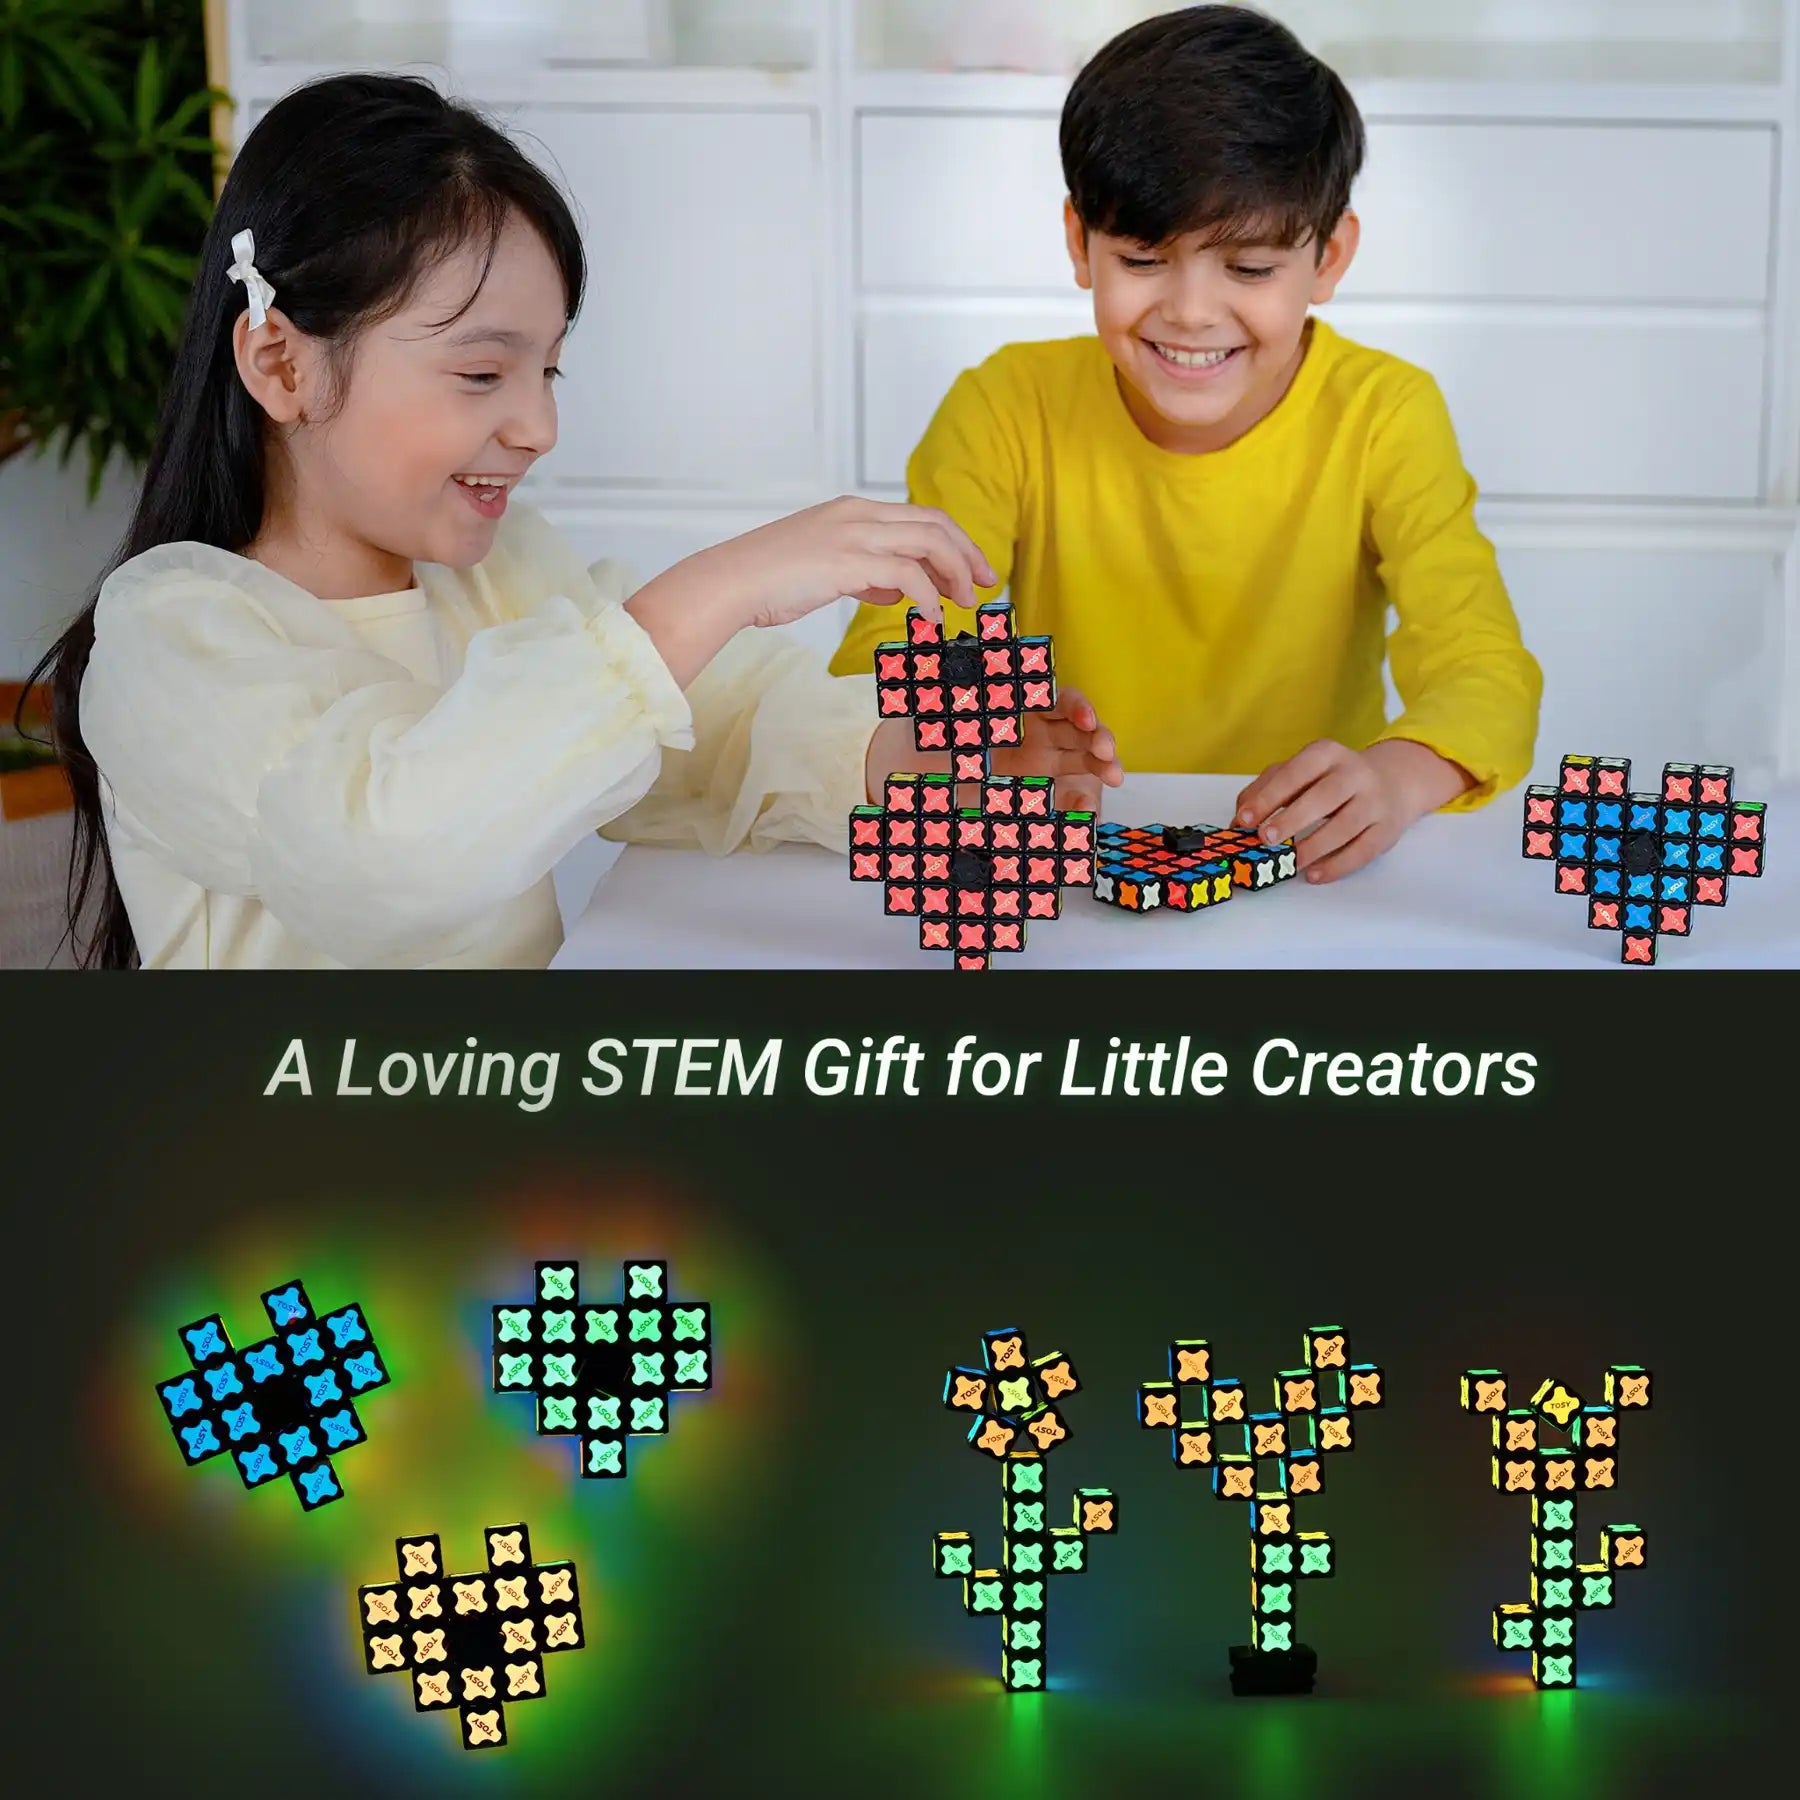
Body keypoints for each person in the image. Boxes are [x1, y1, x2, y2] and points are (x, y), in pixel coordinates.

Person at [34, 72, 1118, 968]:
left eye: (548, 370)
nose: (539, 424)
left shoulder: (491, 576)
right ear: (281, 361)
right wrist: (714, 588)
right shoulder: (170, 638)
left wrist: (911, 759)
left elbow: (698, 730)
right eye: (481, 372)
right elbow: (390, 853)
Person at [833, 4, 1541, 885]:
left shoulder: (1386, 413)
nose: (1193, 312)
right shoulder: (1005, 406)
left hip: (1308, 866)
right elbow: (891, 653)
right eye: (1142, 259)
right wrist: (983, 730)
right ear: (1078, 244)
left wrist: (1398, 780)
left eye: (1248, 269)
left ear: (1329, 259)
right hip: (1075, 864)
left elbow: (1483, 668)